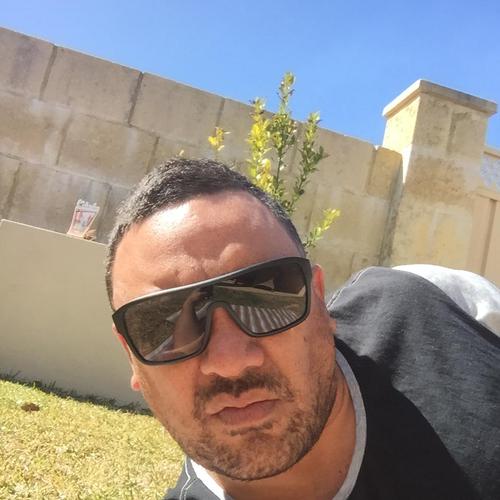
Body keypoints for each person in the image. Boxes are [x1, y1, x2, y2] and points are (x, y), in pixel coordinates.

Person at [106, 158, 500, 500]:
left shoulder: (444, 305)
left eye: (264, 293)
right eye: (163, 322)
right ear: (131, 359)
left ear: (319, 300)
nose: (230, 361)